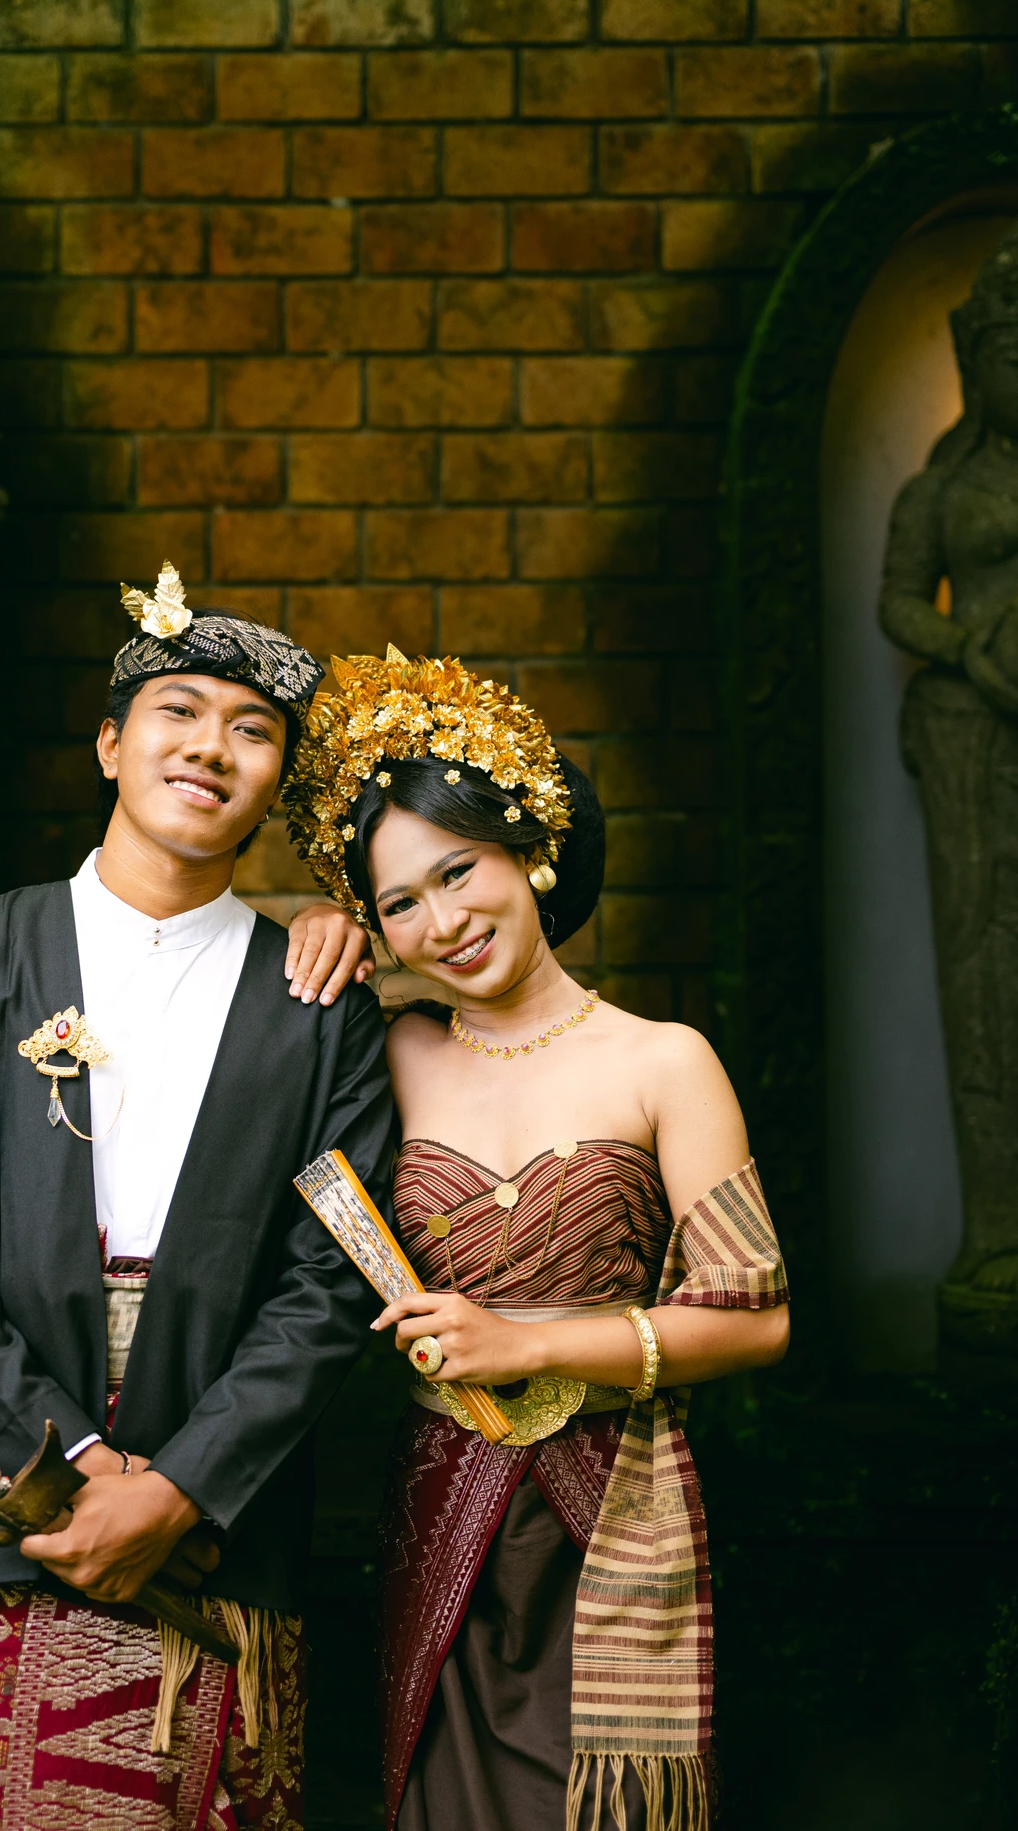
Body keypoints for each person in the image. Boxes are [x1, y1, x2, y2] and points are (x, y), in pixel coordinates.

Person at [0, 563, 390, 1831]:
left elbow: (334, 1275)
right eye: (179, 712)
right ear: (109, 743)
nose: (211, 747)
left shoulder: (319, 998)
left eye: (252, 730)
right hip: (12, 1485)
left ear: (276, 780)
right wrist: (82, 1459)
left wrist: (179, 1484)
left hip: (223, 1502)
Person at [284, 647, 791, 1831]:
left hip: (611, 1514)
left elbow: (756, 1317)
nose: (443, 921)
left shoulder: (663, 1060)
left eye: (457, 870)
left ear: (529, 847)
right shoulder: (388, 1049)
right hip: (440, 1514)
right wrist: (304, 934)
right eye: (398, 903)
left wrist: (527, 1342)